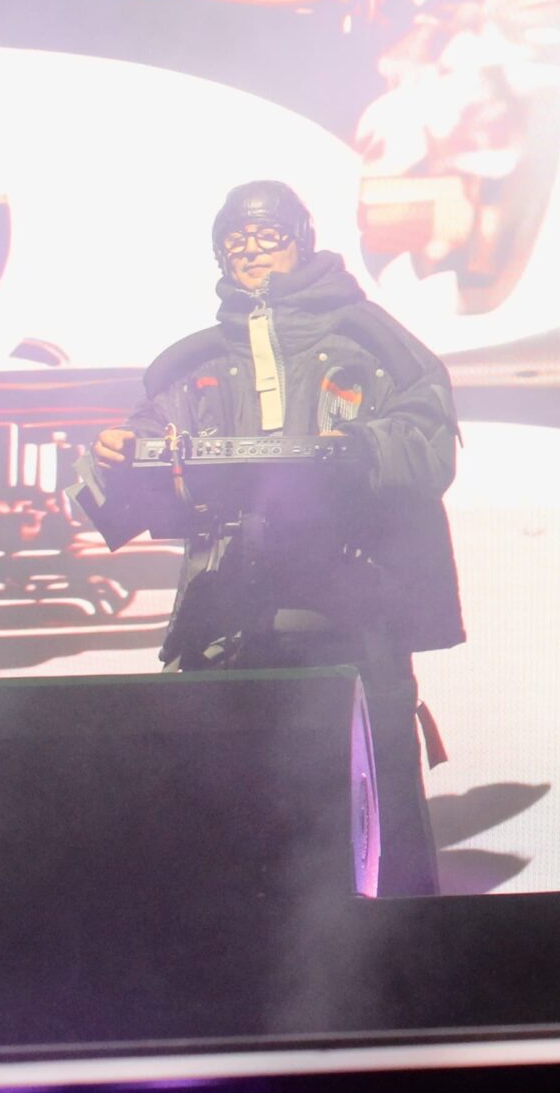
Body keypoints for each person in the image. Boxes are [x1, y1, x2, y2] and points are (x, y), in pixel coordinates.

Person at [85, 180, 463, 894]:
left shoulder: (373, 343)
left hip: (352, 613)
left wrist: (356, 450)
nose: (252, 251)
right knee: (221, 823)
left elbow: (430, 445)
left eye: (268, 236)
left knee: (379, 809)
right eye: (237, 240)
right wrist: (120, 457)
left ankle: (410, 949)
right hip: (228, 620)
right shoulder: (193, 367)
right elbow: (139, 466)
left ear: (302, 241)